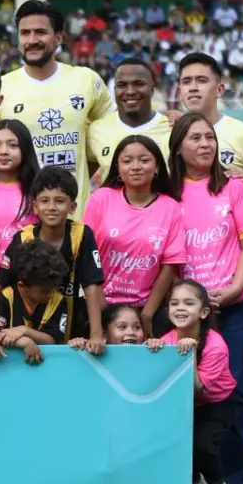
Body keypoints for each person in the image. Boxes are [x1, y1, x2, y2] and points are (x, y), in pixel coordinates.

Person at [168, 113, 243, 484]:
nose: (206, 144)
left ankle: (237, 478)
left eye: (210, 137)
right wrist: (184, 300)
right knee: (181, 389)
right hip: (183, 309)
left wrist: (236, 288)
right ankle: (188, 476)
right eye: (195, 138)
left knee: (228, 387)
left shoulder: (233, 189)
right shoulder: (168, 193)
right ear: (178, 146)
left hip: (233, 304)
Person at [0, 0, 114, 215]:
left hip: (76, 219)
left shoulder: (86, 80)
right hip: (21, 219)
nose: (31, 40)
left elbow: (114, 131)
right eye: (25, 33)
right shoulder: (1, 88)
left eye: (40, 32)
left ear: (58, 37)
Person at [0, 167, 105, 356]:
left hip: (68, 327)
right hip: (22, 329)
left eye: (59, 201)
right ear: (35, 206)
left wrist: (96, 334)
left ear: (72, 207)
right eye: (44, 201)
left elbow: (91, 286)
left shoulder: (82, 234)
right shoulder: (23, 238)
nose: (51, 207)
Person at [150, 280, 239, 484]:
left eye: (189, 303)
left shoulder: (216, 345)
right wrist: (153, 350)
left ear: (204, 312)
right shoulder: (168, 339)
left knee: (203, 446)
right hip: (182, 403)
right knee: (174, 444)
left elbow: (198, 388)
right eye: (174, 303)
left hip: (216, 402)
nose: (180, 308)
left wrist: (188, 354)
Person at [83, 135, 185, 337]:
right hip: (99, 305)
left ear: (157, 167)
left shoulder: (170, 207)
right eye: (127, 161)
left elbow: (170, 264)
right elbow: (86, 254)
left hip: (147, 307)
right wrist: (101, 305)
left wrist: (147, 314)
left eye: (144, 160)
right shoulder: (101, 199)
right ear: (118, 168)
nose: (136, 166)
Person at [176, 52, 243, 206]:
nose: (193, 88)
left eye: (202, 80)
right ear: (179, 91)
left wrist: (242, 188)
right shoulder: (170, 133)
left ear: (220, 89)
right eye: (187, 82)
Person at [88, 58, 173, 184]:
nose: (130, 91)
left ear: (152, 89)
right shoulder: (96, 130)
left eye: (139, 84)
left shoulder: (172, 128)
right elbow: (81, 178)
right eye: (122, 85)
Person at [0, 239, 71, 365]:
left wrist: (24, 331)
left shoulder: (58, 300)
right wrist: (25, 342)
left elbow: (53, 340)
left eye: (53, 288)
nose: (50, 294)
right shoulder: (7, 297)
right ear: (22, 286)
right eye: (44, 291)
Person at [0, 119, 39, 261]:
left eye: (12, 145)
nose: (3, 151)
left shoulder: (38, 189)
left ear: (25, 148)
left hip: (24, 272)